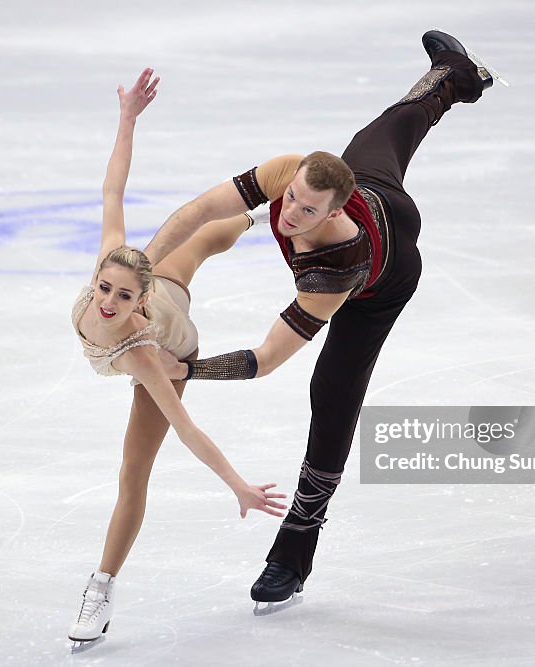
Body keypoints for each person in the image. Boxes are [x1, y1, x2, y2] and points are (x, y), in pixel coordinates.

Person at [143, 31, 497, 606]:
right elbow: (202, 209)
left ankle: (295, 547)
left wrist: (186, 370)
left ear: (335, 210)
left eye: (307, 212)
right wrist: (140, 267)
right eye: (290, 200)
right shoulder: (293, 175)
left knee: (331, 392)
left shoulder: (336, 268)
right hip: (374, 191)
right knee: (388, 129)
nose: (289, 215)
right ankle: (456, 76)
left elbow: (265, 360)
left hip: (383, 280)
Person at [68, 67, 287, 643]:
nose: (109, 302)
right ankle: (256, 216)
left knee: (132, 471)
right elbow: (113, 187)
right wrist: (127, 118)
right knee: (203, 240)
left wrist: (237, 484)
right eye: (106, 289)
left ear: (141, 299)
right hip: (166, 283)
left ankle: (101, 585)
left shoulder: (144, 353)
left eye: (123, 295)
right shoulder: (111, 272)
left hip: (174, 340)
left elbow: (187, 429)